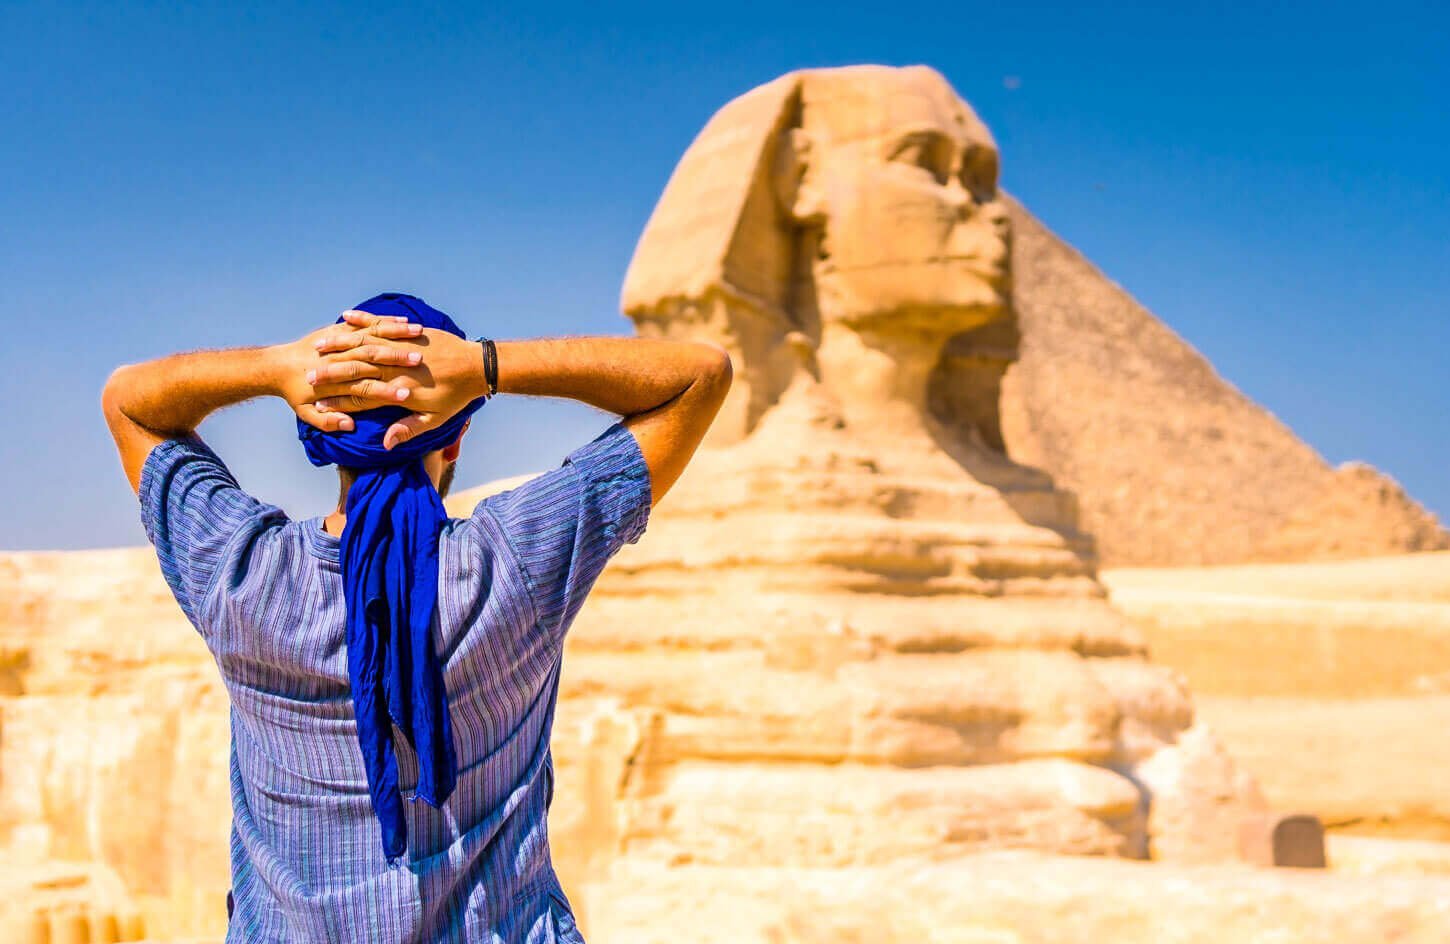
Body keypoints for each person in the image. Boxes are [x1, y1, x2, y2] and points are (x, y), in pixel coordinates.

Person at [100, 294, 732, 942]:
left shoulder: (241, 574)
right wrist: (485, 367)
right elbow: (699, 376)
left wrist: (276, 367)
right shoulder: (513, 563)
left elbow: (128, 402)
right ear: (456, 436)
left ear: (318, 431)